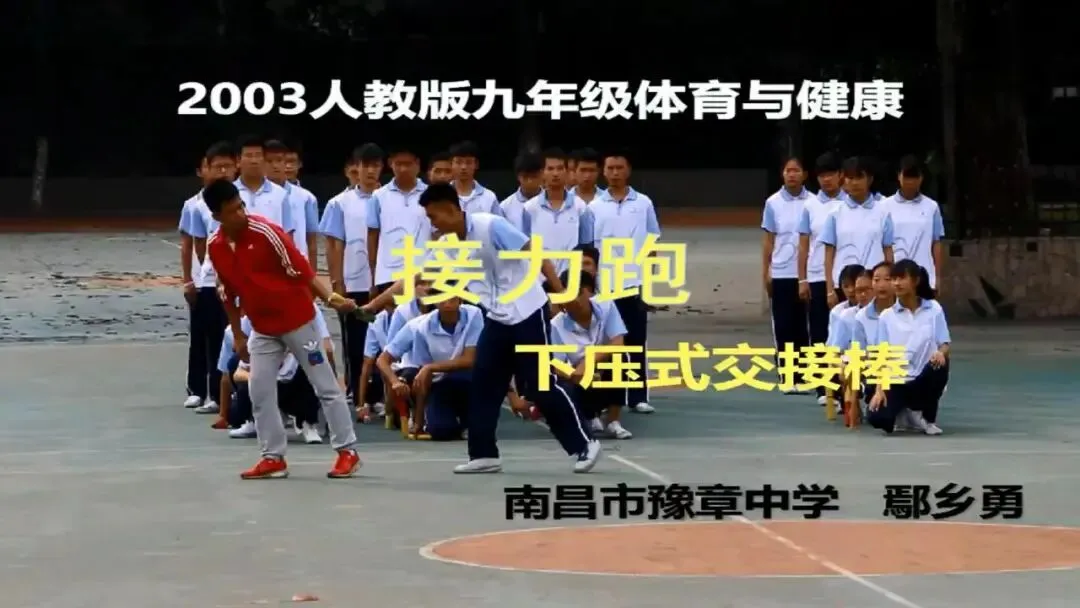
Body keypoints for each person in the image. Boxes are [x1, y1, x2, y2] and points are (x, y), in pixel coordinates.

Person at [360, 183, 599, 474]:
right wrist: (371, 306)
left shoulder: (490, 226)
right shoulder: (448, 247)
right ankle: (484, 454)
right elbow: (415, 278)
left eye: (434, 216)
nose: (432, 224)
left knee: (540, 386)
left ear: (450, 210)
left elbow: (536, 255)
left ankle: (585, 444)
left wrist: (560, 294)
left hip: (528, 312)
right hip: (498, 319)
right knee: (484, 385)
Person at [203, 178, 362, 480]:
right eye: (232, 211)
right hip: (263, 328)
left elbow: (302, 270)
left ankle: (348, 451)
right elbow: (227, 293)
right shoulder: (216, 246)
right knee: (259, 389)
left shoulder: (267, 232)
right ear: (217, 216)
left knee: (325, 386)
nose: (241, 214)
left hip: (298, 321)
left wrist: (330, 298)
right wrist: (238, 334)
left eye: (241, 206)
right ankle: (273, 457)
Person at [589, 151, 661, 414]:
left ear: (628, 170)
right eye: (610, 168)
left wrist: (648, 280)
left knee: (636, 340)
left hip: (633, 282)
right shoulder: (594, 207)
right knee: (606, 342)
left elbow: (652, 242)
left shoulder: (643, 203)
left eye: (619, 167)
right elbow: (589, 248)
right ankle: (605, 398)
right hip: (604, 285)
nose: (615, 172)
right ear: (604, 171)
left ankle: (638, 396)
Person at [219, 304, 335, 443]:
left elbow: (323, 356)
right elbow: (238, 373)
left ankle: (307, 423)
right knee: (237, 368)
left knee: (310, 372)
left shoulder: (302, 332)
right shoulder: (259, 338)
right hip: (267, 384)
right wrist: (257, 378)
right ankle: (253, 420)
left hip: (292, 385)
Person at [321, 143, 382, 409]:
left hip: (385, 282)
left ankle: (380, 396)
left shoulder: (387, 198)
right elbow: (334, 245)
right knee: (355, 341)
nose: (369, 171)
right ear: (356, 168)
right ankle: (357, 394)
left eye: (375, 165)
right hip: (353, 281)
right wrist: (337, 283)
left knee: (384, 339)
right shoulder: (339, 203)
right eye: (365, 165)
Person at [377, 292, 483, 440]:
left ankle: (470, 421)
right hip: (438, 381)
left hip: (467, 377)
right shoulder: (418, 325)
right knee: (440, 430)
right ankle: (439, 419)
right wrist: (418, 421)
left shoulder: (474, 314)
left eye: (451, 297)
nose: (447, 302)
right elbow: (385, 360)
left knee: (467, 376)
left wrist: (431, 368)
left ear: (460, 299)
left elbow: (470, 359)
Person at [182, 141, 238, 417]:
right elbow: (195, 244)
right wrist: (194, 278)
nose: (223, 171)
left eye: (227, 166)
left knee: (239, 334)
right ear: (206, 169)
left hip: (240, 279)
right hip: (210, 280)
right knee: (210, 337)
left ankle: (237, 392)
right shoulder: (196, 206)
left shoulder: (241, 201)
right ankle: (208, 392)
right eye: (218, 167)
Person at [866, 260, 950, 436]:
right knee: (877, 417)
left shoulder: (934, 309)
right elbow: (882, 356)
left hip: (922, 378)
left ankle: (927, 418)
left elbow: (944, 343)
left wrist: (940, 353)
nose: (896, 283)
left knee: (941, 364)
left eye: (902, 278)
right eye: (894, 279)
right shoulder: (886, 317)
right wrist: (879, 391)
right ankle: (904, 413)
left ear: (916, 280)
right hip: (897, 380)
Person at [551, 270, 632, 439]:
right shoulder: (556, 325)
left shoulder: (607, 306)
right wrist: (575, 373)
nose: (571, 301)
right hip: (577, 375)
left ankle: (613, 421)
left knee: (621, 357)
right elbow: (557, 364)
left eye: (577, 294)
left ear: (588, 292)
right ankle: (589, 416)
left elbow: (618, 342)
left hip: (601, 364)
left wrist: (590, 360)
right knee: (563, 384)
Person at [798, 152, 846, 400]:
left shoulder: (850, 204)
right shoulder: (810, 206)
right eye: (822, 175)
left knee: (846, 334)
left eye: (831, 174)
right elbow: (803, 246)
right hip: (817, 277)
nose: (826, 180)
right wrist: (802, 279)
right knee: (819, 333)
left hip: (847, 278)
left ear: (841, 175)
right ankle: (823, 387)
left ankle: (849, 386)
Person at [762, 157, 812, 395]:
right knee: (783, 326)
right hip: (782, 272)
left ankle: (804, 374)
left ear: (805, 174)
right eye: (788, 170)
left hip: (808, 273)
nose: (792, 174)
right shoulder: (773, 203)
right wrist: (766, 271)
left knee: (803, 326)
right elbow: (768, 240)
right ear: (782, 174)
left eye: (796, 170)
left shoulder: (814, 202)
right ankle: (787, 374)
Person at [820, 156, 895, 306]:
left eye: (859, 177)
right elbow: (828, 255)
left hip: (874, 284)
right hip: (844, 286)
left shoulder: (883, 212)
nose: (854, 183)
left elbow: (888, 252)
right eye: (850, 178)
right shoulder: (835, 213)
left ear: (870, 179)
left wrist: (889, 284)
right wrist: (829, 290)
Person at [521, 148, 595, 282]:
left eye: (560, 168)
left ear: (567, 172)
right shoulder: (529, 208)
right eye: (550, 169)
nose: (555, 173)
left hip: (571, 280)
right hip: (538, 280)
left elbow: (587, 247)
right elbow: (525, 248)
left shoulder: (581, 207)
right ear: (542, 173)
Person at [367, 145, 429, 298]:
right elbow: (373, 237)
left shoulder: (430, 194)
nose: (403, 169)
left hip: (422, 275)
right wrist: (373, 275)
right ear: (390, 164)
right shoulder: (378, 196)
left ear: (417, 164)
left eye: (408, 164)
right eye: (398, 164)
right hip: (388, 275)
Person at [884, 155, 945, 296]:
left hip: (924, 276)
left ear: (921, 178)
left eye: (914, 177)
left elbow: (936, 243)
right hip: (895, 277)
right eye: (907, 176)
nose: (910, 182)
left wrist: (938, 277)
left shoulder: (931, 207)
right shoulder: (884, 206)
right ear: (898, 176)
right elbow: (884, 245)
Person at [825, 265, 872, 415]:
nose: (851, 291)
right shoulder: (841, 313)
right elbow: (834, 347)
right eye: (846, 286)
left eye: (855, 286)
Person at [266, 140, 319, 271]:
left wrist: (312, 273)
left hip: (298, 265)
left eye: (280, 160)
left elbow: (311, 241)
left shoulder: (307, 197)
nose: (276, 165)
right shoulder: (255, 194)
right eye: (270, 161)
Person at [233, 135, 294, 235]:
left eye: (258, 155)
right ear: (238, 161)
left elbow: (288, 234)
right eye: (249, 155)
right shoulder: (228, 192)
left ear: (264, 160)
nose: (254, 161)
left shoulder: (281, 194)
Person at [356, 300, 396, 422]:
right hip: (391, 364)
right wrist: (361, 405)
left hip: (412, 363)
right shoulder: (376, 322)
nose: (395, 308)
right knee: (383, 366)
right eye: (392, 304)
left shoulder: (411, 317)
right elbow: (367, 363)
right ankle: (388, 407)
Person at [449, 140, 502, 216]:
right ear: (451, 164)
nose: (463, 167)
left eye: (468, 162)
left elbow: (497, 222)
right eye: (458, 162)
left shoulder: (489, 197)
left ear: (476, 164)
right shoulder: (441, 195)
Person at [500, 152, 544, 232]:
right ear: (518, 176)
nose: (530, 181)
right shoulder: (505, 207)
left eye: (534, 176)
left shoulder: (552, 203)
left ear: (541, 174)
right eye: (525, 177)